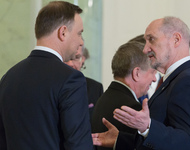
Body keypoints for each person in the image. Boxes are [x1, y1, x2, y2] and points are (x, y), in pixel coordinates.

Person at [92, 16, 190, 150]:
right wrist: (119, 140)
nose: (145, 49)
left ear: (176, 39)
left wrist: (148, 127)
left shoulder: (187, 80)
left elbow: (189, 143)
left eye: (151, 39)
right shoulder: (176, 78)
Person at [0, 1, 93, 150]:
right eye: (79, 33)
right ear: (63, 32)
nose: (81, 41)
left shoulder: (8, 77)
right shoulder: (70, 78)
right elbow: (79, 144)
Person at [91, 41, 157, 150]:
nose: (154, 79)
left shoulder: (105, 98)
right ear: (137, 73)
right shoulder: (132, 110)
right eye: (152, 72)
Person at [65, 44, 103, 121]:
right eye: (66, 58)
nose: (70, 63)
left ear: (82, 59)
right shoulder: (50, 87)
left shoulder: (96, 88)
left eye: (76, 57)